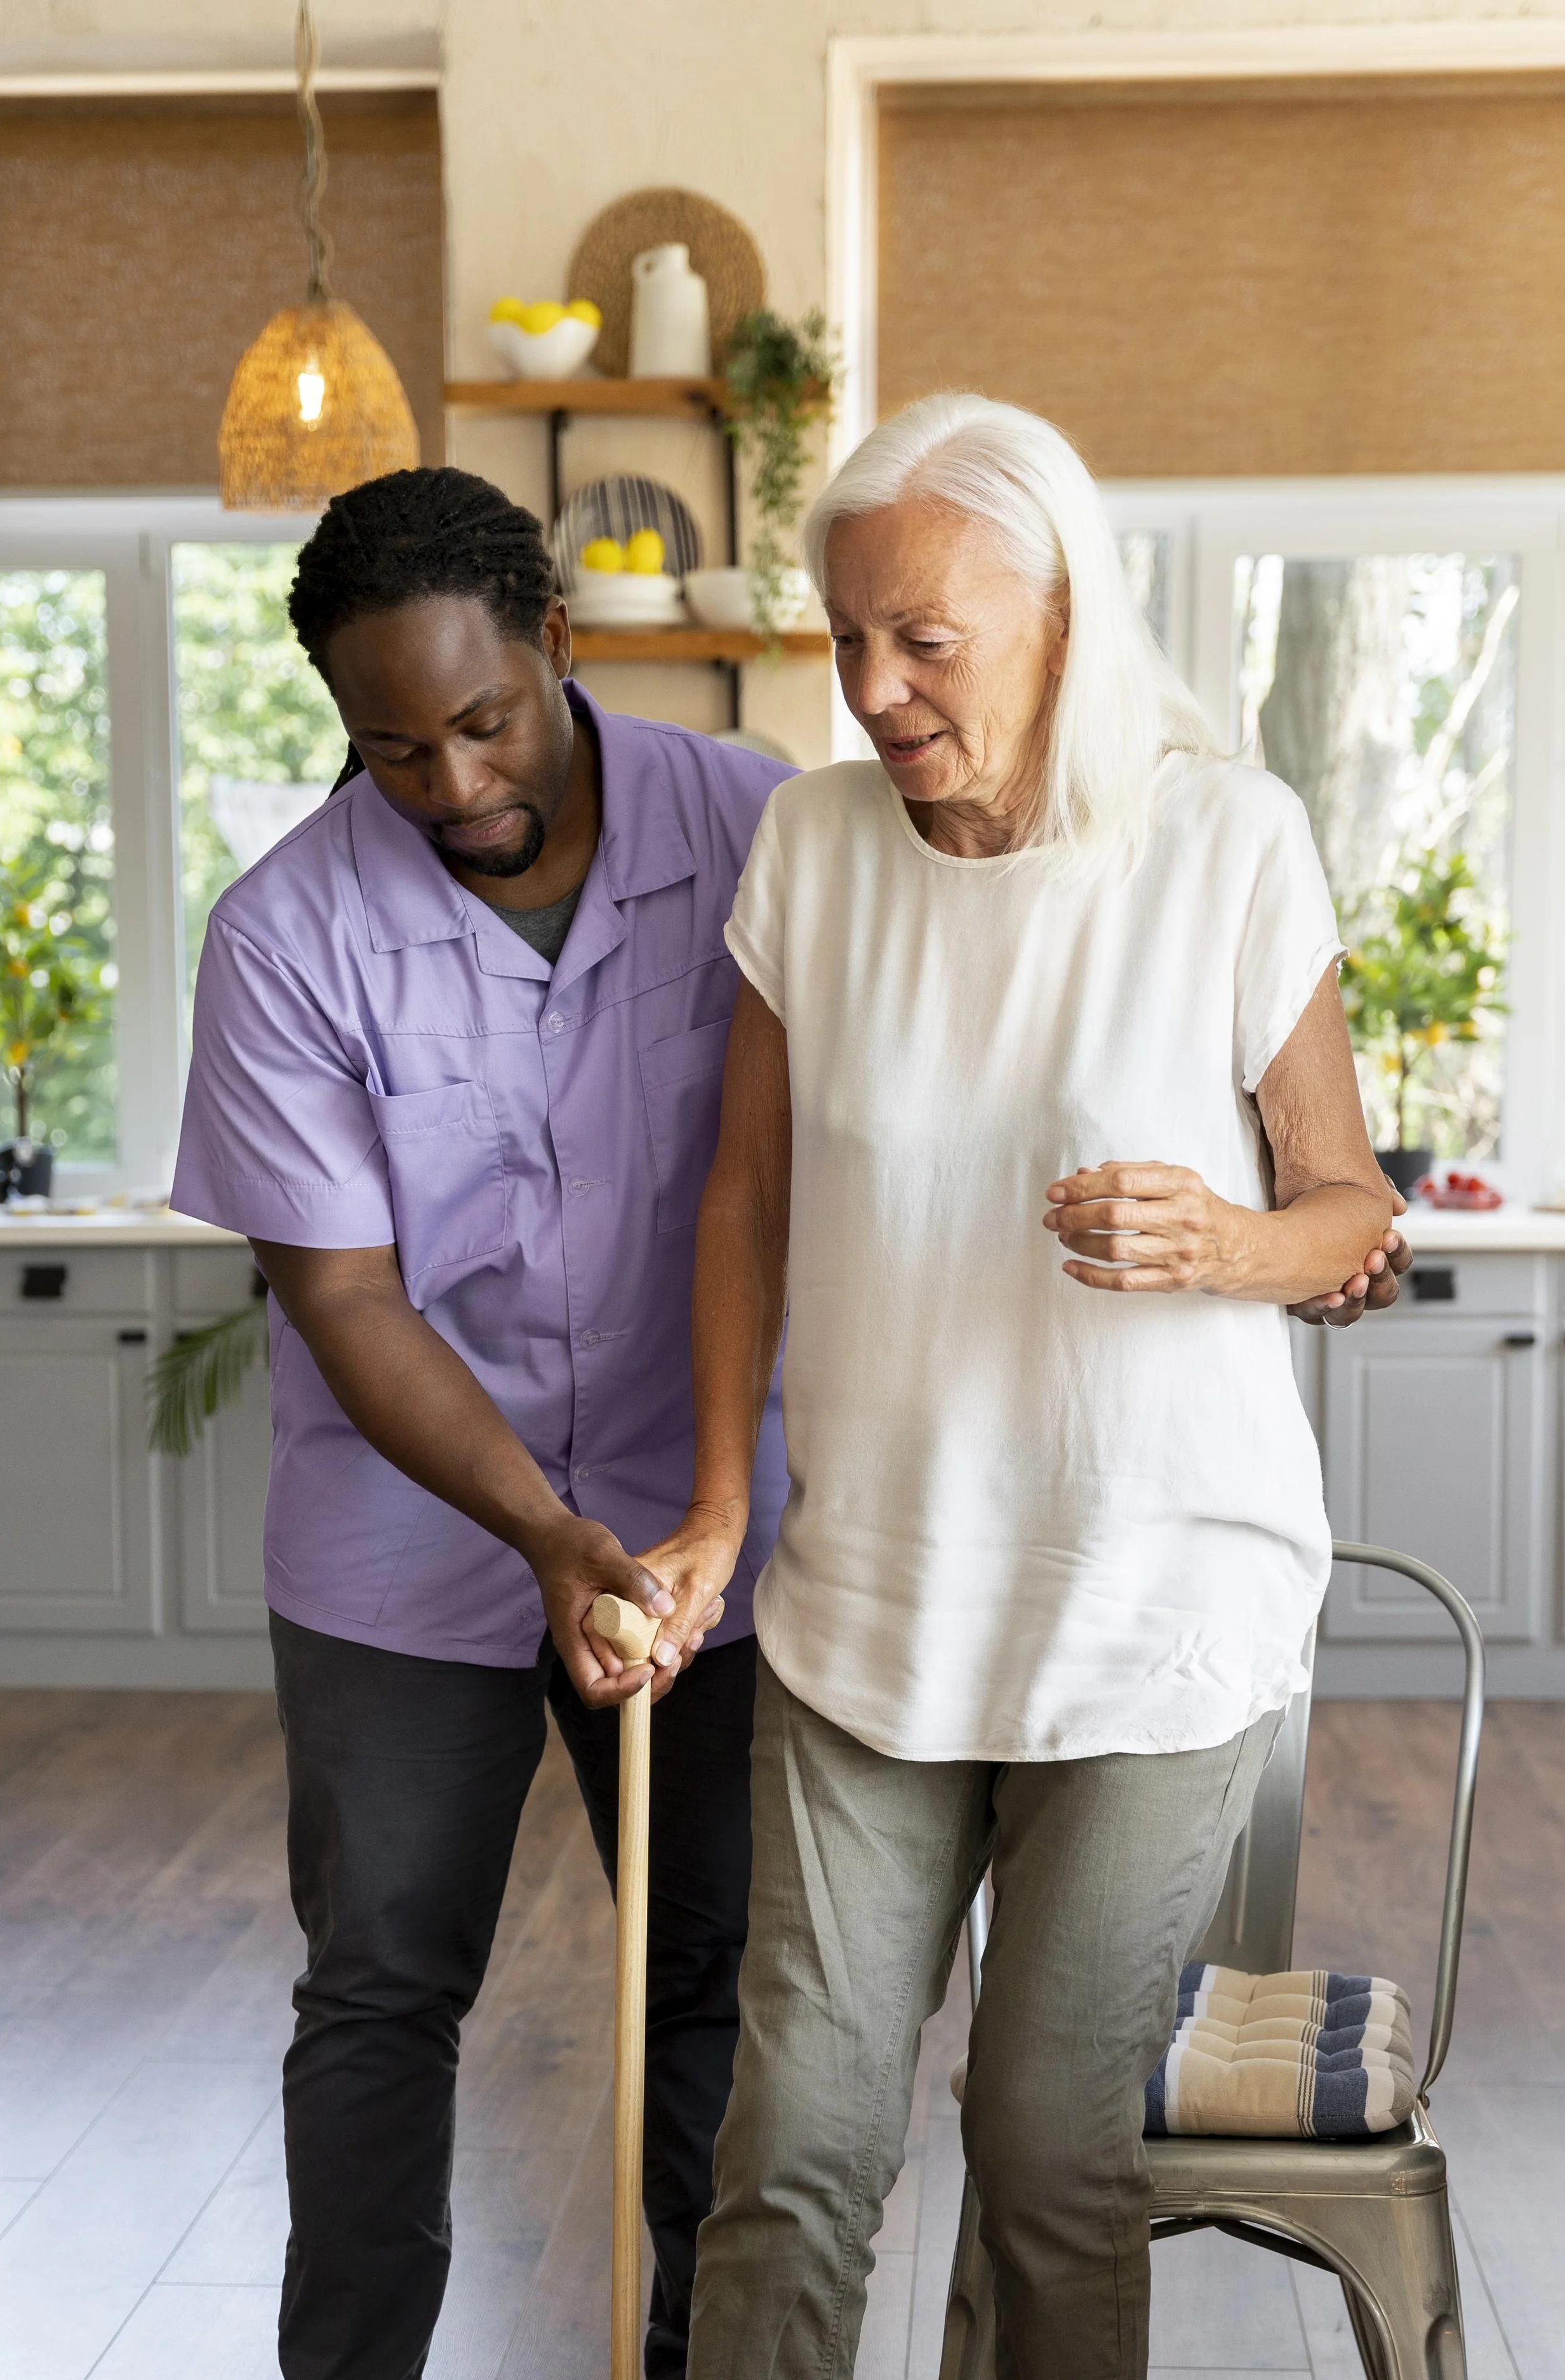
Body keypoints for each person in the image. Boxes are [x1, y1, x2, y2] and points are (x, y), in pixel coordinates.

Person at [633, 396, 1410, 2380]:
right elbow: (744, 1190)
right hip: (870, 1608)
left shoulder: (1225, 838)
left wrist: (1220, 1243)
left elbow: (1345, 1213)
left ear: (1059, 608)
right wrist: (724, 1498)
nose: (877, 688)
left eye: (926, 640)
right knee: (789, 2151)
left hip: (1147, 1611)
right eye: (846, 639)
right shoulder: (813, 848)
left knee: (1049, 2156)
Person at [170, 468, 794, 2380]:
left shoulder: (766, 828)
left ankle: (714, 2348)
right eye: (390, 746)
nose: (446, 784)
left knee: (718, 1983)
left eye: (482, 722)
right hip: (406, 1539)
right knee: (379, 1987)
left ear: (560, 647)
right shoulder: (284, 933)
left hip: (714, 1526)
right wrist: (538, 1530)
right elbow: (347, 1294)